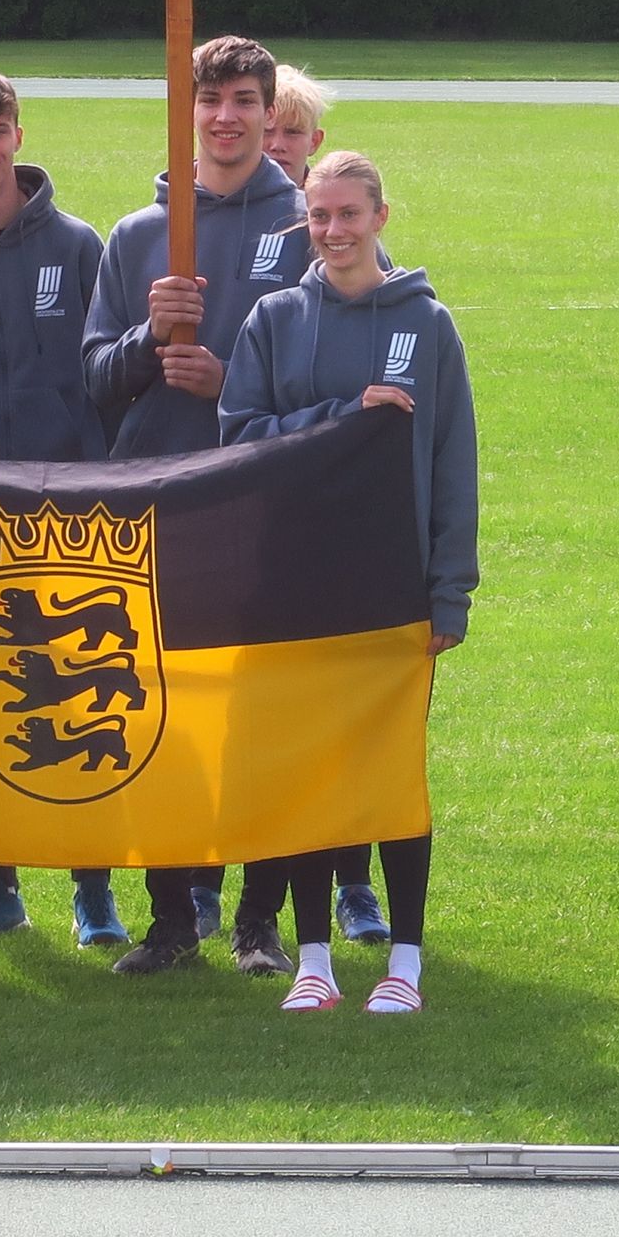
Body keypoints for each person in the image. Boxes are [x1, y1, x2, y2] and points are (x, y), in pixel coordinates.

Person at [218, 151, 476, 1013]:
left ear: (380, 217)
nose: (332, 231)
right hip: (297, 586)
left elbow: (453, 464)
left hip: (393, 588)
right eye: (318, 215)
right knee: (308, 774)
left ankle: (406, 961)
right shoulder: (274, 318)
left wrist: (450, 590)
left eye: (348, 214)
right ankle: (315, 961)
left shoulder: (428, 323)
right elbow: (239, 439)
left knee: (390, 774)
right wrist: (343, 415)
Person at [83, 34, 312, 977]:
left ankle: (259, 921)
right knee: (156, 713)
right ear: (187, 112)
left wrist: (232, 385)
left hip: (265, 507)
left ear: (269, 112)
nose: (225, 117)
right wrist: (149, 337)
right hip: (157, 502)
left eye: (244, 101)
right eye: (209, 100)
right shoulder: (139, 234)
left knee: (261, 716)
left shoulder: (308, 226)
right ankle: (172, 918)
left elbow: (335, 384)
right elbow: (95, 380)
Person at [0, 63, 130, 950]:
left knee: (82, 694)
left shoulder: (77, 244)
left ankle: (95, 893)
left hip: (67, 504)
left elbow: (104, 371)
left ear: (19, 135)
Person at [262, 61, 389, 948]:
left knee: (360, 734)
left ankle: (358, 885)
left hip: (370, 553)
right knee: (284, 734)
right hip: (278, 541)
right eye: (264, 129)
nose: (274, 144)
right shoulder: (275, 299)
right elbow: (245, 419)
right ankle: (255, 907)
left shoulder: (408, 304)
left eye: (288, 132)